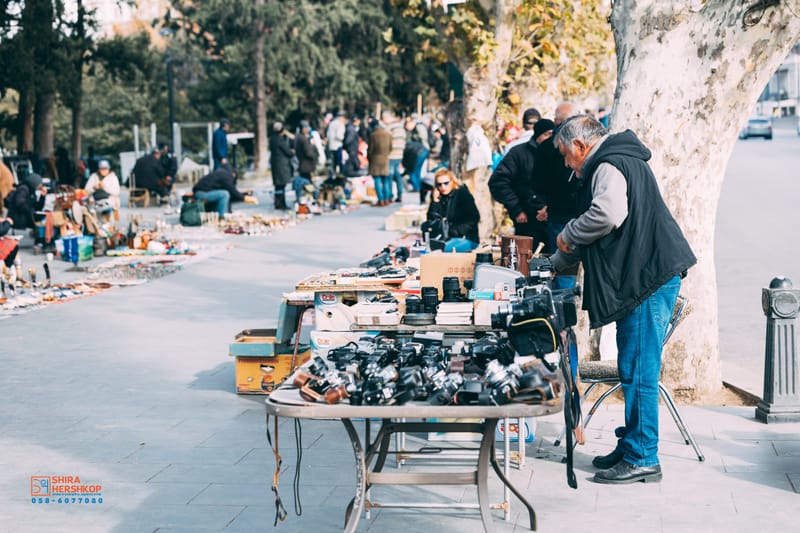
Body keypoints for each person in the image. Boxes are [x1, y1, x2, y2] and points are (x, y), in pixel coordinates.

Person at [549, 115, 696, 485]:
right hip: (643, 276)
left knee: (640, 370)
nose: (566, 164)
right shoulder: (616, 159)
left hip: (646, 278)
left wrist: (569, 233)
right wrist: (554, 263)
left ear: (580, 146)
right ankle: (633, 443)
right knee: (633, 367)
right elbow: (595, 235)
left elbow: (607, 214)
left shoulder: (607, 165)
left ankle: (643, 457)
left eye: (566, 155)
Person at [532, 102, 582, 287]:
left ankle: (566, 298)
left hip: (564, 212)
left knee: (565, 267)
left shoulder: (547, 147)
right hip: (567, 212)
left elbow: (538, 184)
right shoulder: (551, 147)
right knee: (567, 267)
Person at [489, 119, 555, 251]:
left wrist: (552, 207)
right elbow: (498, 181)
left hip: (554, 220)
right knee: (526, 258)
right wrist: (516, 208)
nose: (550, 138)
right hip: (527, 221)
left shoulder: (559, 153)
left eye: (553, 134)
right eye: (547, 134)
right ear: (538, 135)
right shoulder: (518, 153)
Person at [422, 169, 480, 252]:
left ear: (452, 182)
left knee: (441, 249)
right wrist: (435, 202)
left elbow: (474, 217)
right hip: (445, 237)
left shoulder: (462, 193)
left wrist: (456, 231)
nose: (443, 187)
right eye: (439, 184)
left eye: (446, 183)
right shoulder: (438, 196)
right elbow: (432, 220)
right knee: (428, 249)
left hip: (466, 237)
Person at [368, 117, 392, 206]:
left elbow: (370, 149)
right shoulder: (388, 134)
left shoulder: (373, 135)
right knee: (385, 180)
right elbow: (390, 148)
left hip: (375, 159)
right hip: (385, 159)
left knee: (377, 179)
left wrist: (370, 158)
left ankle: (381, 199)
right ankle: (387, 199)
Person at [269, 121, 294, 210]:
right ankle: (281, 203)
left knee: (278, 185)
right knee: (281, 185)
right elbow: (288, 152)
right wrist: (292, 151)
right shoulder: (280, 140)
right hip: (282, 165)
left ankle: (278, 202)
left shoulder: (272, 139)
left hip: (275, 164)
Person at [387, 111, 406, 203]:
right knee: (398, 176)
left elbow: (387, 141)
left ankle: (390, 195)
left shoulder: (390, 128)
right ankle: (400, 195)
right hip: (399, 154)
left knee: (390, 176)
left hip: (391, 154)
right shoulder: (401, 129)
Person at [325, 111, 346, 178]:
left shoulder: (331, 123)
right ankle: (339, 176)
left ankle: (332, 175)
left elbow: (328, 135)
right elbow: (339, 136)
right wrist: (343, 139)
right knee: (339, 162)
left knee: (332, 162)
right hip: (338, 145)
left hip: (331, 145)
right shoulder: (340, 124)